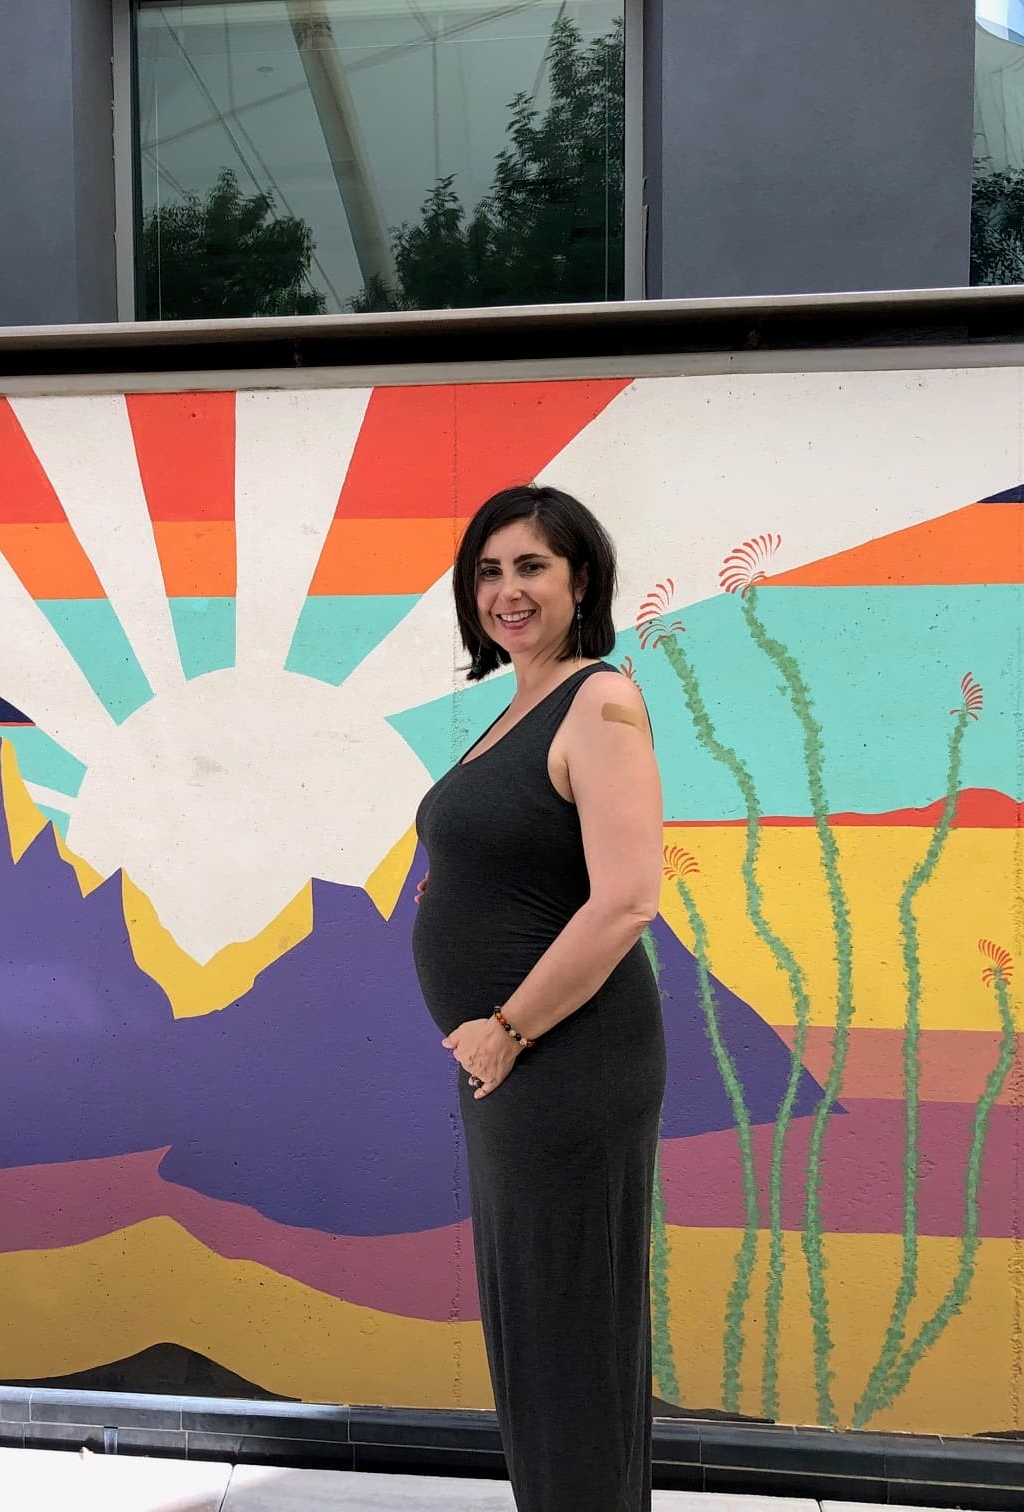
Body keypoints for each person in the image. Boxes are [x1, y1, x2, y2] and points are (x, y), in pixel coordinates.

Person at [411, 483, 667, 1511]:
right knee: (541, 1338)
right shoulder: (520, 705)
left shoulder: (599, 698)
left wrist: (508, 1026)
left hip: (561, 1059)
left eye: (531, 567)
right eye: (487, 570)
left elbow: (627, 900)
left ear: (582, 581)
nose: (506, 590)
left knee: (567, 1340)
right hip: (516, 1064)